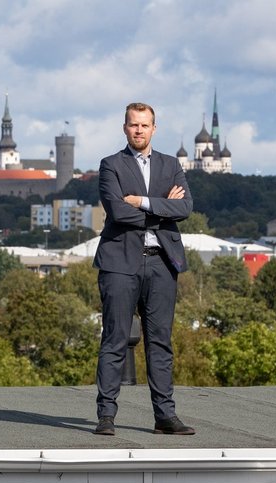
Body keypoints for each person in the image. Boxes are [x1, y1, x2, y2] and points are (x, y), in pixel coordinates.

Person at [92, 101, 195, 436]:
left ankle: (165, 416)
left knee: (160, 341)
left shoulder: (171, 165)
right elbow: (119, 214)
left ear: (154, 128)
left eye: (144, 125)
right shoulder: (111, 165)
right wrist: (163, 208)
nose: (139, 130)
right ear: (125, 128)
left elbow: (186, 207)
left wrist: (141, 201)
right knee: (115, 339)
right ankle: (106, 416)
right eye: (133, 125)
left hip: (162, 263)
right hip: (120, 263)